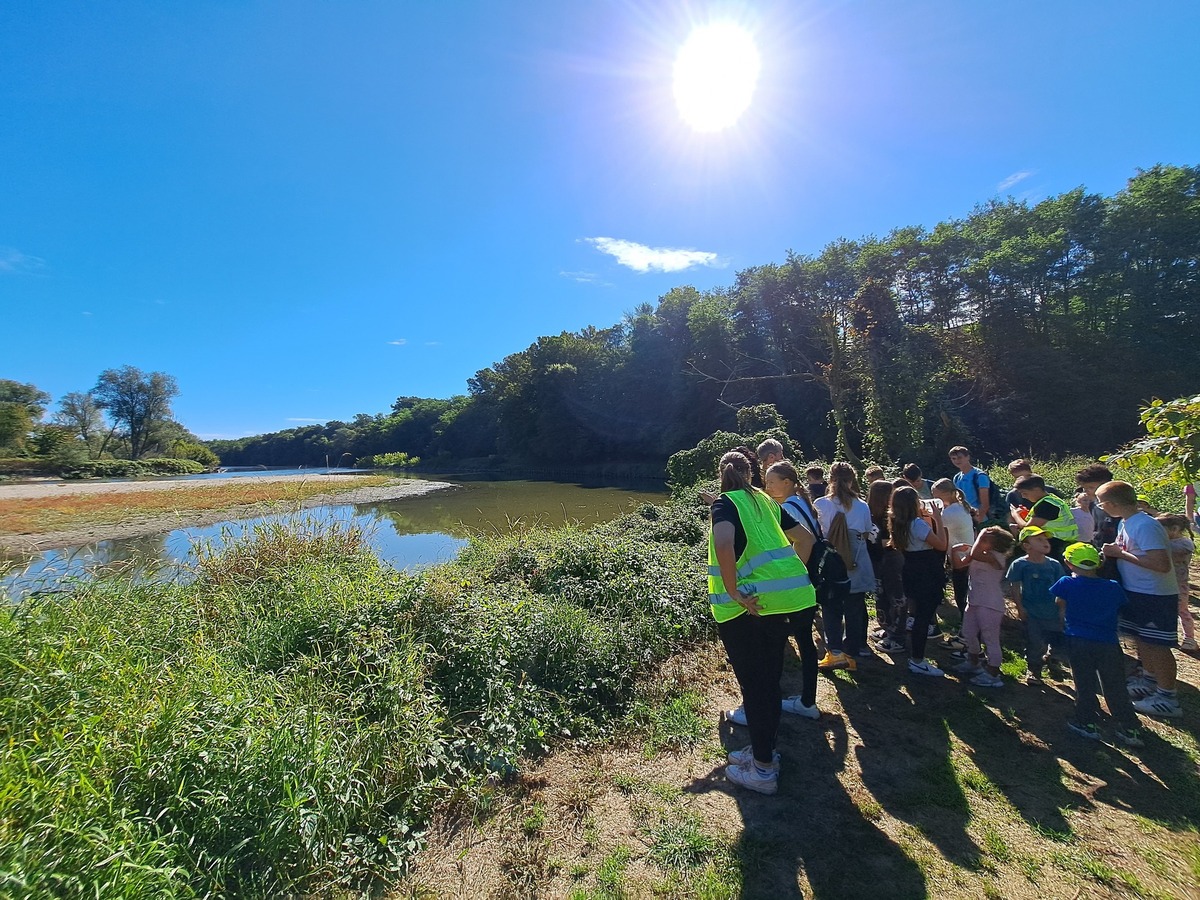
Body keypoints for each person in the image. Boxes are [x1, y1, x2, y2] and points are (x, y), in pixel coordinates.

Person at [710, 451, 818, 794]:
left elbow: (724, 543)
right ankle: (764, 752)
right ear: (752, 474)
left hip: (750, 609)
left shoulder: (725, 503)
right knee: (769, 683)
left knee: (756, 688)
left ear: (721, 475)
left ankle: (762, 771)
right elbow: (807, 539)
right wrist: (787, 578)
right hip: (791, 601)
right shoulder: (766, 501)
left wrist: (734, 591)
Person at [1097, 481, 1183, 719]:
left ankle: (1167, 698)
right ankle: (1148, 680)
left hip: (1154, 594)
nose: (1101, 507)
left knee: (1158, 645)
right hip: (1135, 591)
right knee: (1142, 639)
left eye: (1102, 503)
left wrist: (1120, 554)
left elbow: (1161, 564)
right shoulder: (1127, 522)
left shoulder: (1145, 525)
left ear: (1112, 503)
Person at [1050, 542, 1144, 746]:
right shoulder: (1113, 586)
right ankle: (1129, 728)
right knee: (1114, 684)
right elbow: (1120, 605)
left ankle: (1087, 723)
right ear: (1099, 563)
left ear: (1068, 563)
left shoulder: (1066, 583)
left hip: (1078, 640)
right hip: (1108, 642)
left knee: (1084, 683)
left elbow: (1059, 604)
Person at [761, 460, 822, 718]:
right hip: (809, 583)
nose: (767, 487)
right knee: (806, 641)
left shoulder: (786, 508)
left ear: (787, 483)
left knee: (780, 641)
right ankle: (808, 700)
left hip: (798, 585)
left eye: (771, 482)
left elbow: (803, 542)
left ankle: (773, 701)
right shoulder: (801, 502)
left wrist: (796, 572)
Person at [814, 462, 878, 663]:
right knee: (855, 605)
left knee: (830, 604)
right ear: (852, 481)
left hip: (830, 559)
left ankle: (834, 649)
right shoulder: (861, 505)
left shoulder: (820, 504)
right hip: (855, 559)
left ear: (830, 479)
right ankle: (855, 646)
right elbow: (866, 533)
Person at [890, 486, 949, 677]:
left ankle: (916, 656)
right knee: (924, 617)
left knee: (918, 615)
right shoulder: (917, 524)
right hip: (926, 571)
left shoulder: (897, 522)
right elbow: (942, 545)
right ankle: (917, 660)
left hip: (911, 568)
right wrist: (938, 519)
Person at [952, 526, 1015, 687]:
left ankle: (993, 674)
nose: (980, 542)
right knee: (968, 633)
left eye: (984, 540)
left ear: (996, 544)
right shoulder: (980, 554)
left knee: (990, 638)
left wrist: (980, 535)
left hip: (990, 604)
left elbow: (974, 554)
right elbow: (959, 566)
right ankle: (973, 663)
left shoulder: (996, 557)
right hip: (974, 601)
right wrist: (954, 551)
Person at [1005, 526, 1066, 682]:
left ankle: (1052, 659)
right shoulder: (1020, 564)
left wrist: (1062, 610)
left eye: (1046, 539)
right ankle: (1034, 670)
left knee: (1056, 639)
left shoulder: (1054, 565)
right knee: (1034, 641)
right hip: (1032, 611)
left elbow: (1062, 589)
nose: (1045, 542)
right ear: (1026, 546)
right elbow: (1014, 587)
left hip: (1052, 611)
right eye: (1039, 539)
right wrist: (1020, 608)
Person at [867, 479, 907, 654]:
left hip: (891, 560)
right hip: (877, 561)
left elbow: (889, 542)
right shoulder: (869, 513)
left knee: (896, 598)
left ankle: (898, 637)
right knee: (881, 596)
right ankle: (888, 628)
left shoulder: (891, 516)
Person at [932, 478, 976, 631]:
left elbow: (934, 528)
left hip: (961, 558)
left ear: (948, 494)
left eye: (937, 495)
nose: (935, 499)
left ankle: (967, 628)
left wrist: (934, 515)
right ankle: (968, 626)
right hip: (966, 554)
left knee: (961, 595)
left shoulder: (950, 512)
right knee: (964, 592)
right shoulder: (960, 506)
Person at [1009, 475, 1079, 562]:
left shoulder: (1046, 505)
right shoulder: (1052, 500)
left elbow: (1028, 527)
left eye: (1025, 493)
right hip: (1062, 543)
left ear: (1036, 490)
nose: (1023, 496)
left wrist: (1015, 514)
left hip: (1056, 545)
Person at [1156, 514, 1196, 652]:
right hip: (1162, 582)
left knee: (1182, 610)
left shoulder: (1184, 544)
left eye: (1160, 529)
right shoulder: (1165, 542)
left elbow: (1174, 553)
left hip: (1179, 584)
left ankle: (1189, 638)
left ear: (1174, 529)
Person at [1004, 459, 1065, 527]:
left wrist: (1015, 514)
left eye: (1024, 477)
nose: (1021, 480)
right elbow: (1010, 518)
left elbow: (1030, 526)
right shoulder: (1013, 495)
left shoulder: (1049, 496)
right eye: (1017, 478)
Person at [949, 446, 989, 526]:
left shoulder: (979, 475)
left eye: (959, 457)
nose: (957, 461)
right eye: (954, 458)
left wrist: (978, 521)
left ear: (967, 457)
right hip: (964, 519)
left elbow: (985, 504)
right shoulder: (957, 477)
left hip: (980, 520)